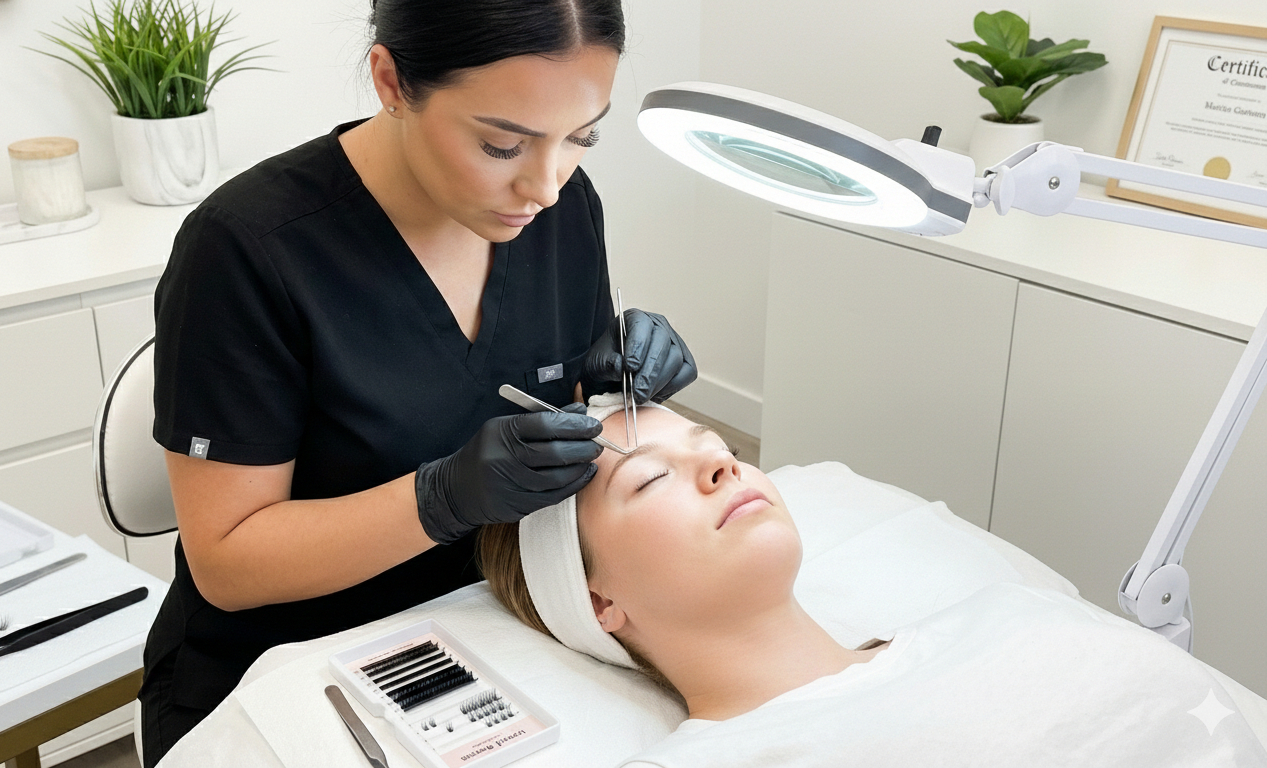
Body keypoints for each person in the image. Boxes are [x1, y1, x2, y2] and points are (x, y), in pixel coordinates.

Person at [140, 1, 697, 763]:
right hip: (284, 666)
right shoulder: (245, 251)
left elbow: (557, 428)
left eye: (582, 137)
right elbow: (229, 565)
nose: (545, 185)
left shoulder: (562, 212)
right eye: (503, 143)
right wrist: (440, 498)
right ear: (391, 80)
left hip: (486, 630)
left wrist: (608, 394)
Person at [477, 403, 1267, 766]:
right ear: (598, 603)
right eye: (651, 481)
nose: (723, 464)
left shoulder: (1009, 613)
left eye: (713, 443)